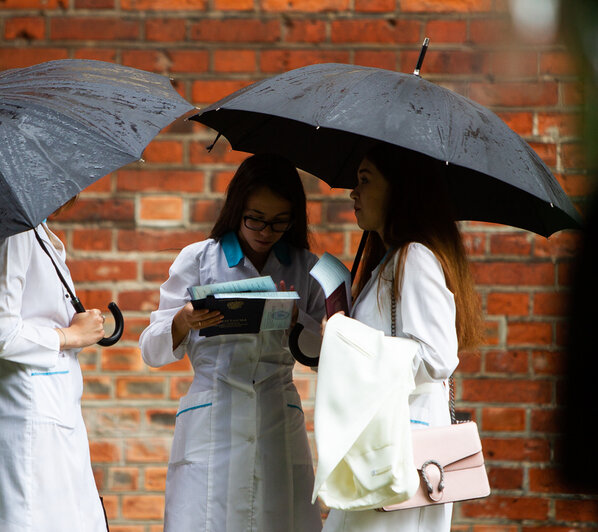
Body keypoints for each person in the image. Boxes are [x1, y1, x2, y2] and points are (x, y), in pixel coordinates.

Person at [139, 153, 326, 532]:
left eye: (278, 221)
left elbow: (323, 354)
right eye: (254, 218)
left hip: (277, 416)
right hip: (213, 416)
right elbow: (150, 349)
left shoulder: (307, 268)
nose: (264, 231)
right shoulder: (198, 260)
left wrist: (297, 321)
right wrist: (183, 320)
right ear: (237, 208)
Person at [322, 142, 482, 531]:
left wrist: (348, 340)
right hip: (382, 443)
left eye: (365, 180)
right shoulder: (389, 261)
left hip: (406, 447)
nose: (353, 192)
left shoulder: (417, 258)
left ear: (399, 187)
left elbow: (437, 358)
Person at [0, 197, 108, 532]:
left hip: (36, 406)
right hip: (28, 410)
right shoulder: (14, 230)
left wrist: (73, 324)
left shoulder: (25, 228)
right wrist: (70, 335)